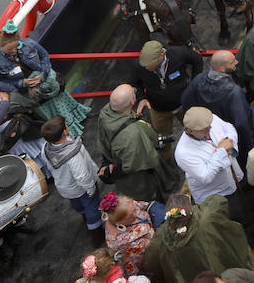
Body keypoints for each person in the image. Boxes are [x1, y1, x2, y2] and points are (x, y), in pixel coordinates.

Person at [0, 21, 92, 134]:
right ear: (1, 46)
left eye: (16, 47)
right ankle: (69, 131)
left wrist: (43, 75)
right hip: (30, 93)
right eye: (10, 50)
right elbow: (1, 82)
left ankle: (76, 120)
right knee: (52, 111)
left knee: (62, 101)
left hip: (46, 81)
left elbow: (44, 56)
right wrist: (23, 83)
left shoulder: (29, 43)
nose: (14, 51)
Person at [143, 193, 254, 283]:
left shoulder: (160, 237)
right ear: (190, 210)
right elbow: (219, 200)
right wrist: (198, 208)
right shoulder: (207, 218)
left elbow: (150, 263)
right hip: (224, 273)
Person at [98, 85, 184, 203]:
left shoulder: (105, 114)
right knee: (152, 199)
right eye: (134, 92)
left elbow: (104, 140)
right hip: (142, 182)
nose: (135, 90)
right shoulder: (134, 134)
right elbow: (136, 163)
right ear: (133, 101)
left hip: (124, 182)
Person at [42, 115, 103, 245]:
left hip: (65, 188)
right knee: (92, 208)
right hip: (81, 188)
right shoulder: (72, 153)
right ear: (65, 131)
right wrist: (91, 189)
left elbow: (49, 166)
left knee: (77, 204)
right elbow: (82, 175)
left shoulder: (46, 148)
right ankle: (97, 236)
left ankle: (85, 219)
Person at [175, 106, 244, 212]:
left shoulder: (209, 120)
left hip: (234, 180)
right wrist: (221, 151)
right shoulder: (183, 153)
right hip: (216, 196)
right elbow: (205, 176)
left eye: (209, 125)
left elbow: (229, 128)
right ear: (191, 131)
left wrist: (229, 141)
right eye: (204, 129)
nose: (210, 129)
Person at [131, 40, 202, 140]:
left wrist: (195, 83)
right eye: (145, 64)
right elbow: (134, 83)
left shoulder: (179, 53)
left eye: (150, 63)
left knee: (196, 130)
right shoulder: (139, 65)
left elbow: (197, 59)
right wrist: (142, 98)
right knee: (163, 139)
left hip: (184, 105)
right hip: (158, 110)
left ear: (162, 55)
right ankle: (166, 155)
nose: (146, 67)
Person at [181, 51, 254, 147]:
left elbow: (186, 102)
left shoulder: (198, 80)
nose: (237, 62)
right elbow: (241, 124)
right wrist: (247, 145)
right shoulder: (234, 92)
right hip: (228, 139)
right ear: (222, 69)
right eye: (232, 62)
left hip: (206, 136)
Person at [100, 192, 161, 276]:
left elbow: (142, 205)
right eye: (131, 215)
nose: (136, 213)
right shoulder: (123, 242)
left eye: (134, 209)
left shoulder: (126, 207)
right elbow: (150, 250)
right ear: (119, 223)